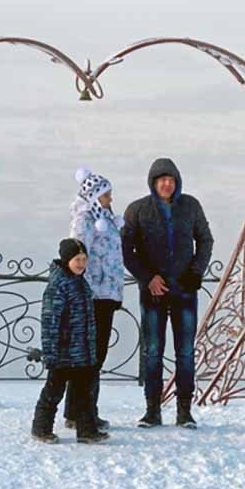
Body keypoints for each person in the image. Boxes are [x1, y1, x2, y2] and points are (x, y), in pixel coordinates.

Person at [122, 157, 214, 429]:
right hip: (153, 292)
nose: (167, 184)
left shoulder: (191, 206)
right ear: (153, 182)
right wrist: (147, 278)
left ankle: (184, 410)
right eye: (162, 179)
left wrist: (196, 271)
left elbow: (205, 239)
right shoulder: (137, 210)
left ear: (177, 182)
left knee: (185, 351)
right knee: (153, 351)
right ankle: (153, 409)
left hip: (184, 289)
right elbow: (126, 249)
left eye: (171, 180)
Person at [65, 167, 125, 432]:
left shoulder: (105, 218)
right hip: (94, 294)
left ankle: (80, 411)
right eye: (106, 195)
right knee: (91, 355)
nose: (110, 199)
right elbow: (78, 256)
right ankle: (83, 412)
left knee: (94, 354)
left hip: (106, 293)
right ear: (95, 196)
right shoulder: (86, 220)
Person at [31, 238, 107, 444]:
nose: (81, 264)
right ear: (66, 260)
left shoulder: (80, 281)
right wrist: (51, 352)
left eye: (84, 259)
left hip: (82, 351)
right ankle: (41, 428)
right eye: (77, 259)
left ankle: (87, 430)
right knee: (53, 391)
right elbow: (50, 321)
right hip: (63, 352)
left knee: (84, 392)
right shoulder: (59, 284)